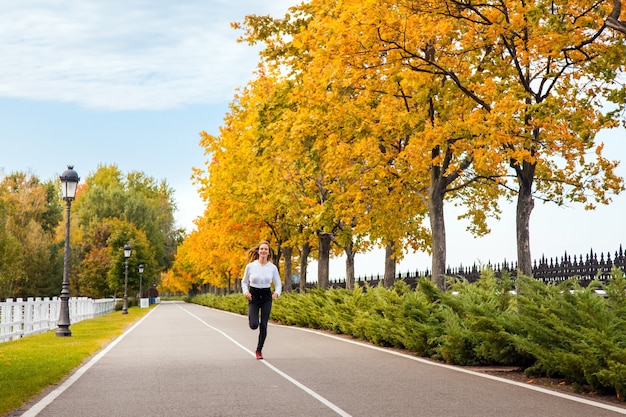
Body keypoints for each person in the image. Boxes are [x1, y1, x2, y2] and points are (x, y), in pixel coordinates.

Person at [241, 240, 282, 360]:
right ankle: (252, 319)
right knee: (254, 325)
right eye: (262, 249)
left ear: (269, 252)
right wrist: (246, 292)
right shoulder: (251, 266)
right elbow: (244, 282)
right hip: (253, 295)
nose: (263, 251)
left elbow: (278, 284)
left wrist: (277, 293)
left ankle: (259, 350)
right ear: (258, 251)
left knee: (263, 325)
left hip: (266, 296)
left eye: (266, 249)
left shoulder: (272, 268)